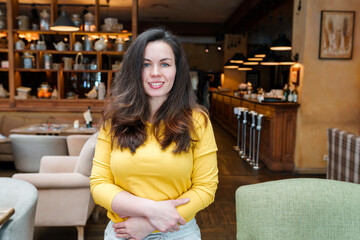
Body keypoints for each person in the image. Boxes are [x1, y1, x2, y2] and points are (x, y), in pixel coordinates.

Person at [90, 28, 218, 240]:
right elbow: (99, 185)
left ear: (177, 70)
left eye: (165, 64)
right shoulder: (113, 119)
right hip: (123, 232)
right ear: (133, 69)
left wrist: (149, 224)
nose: (155, 72)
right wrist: (151, 211)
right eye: (145, 64)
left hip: (178, 231)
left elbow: (206, 188)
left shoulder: (198, 121)